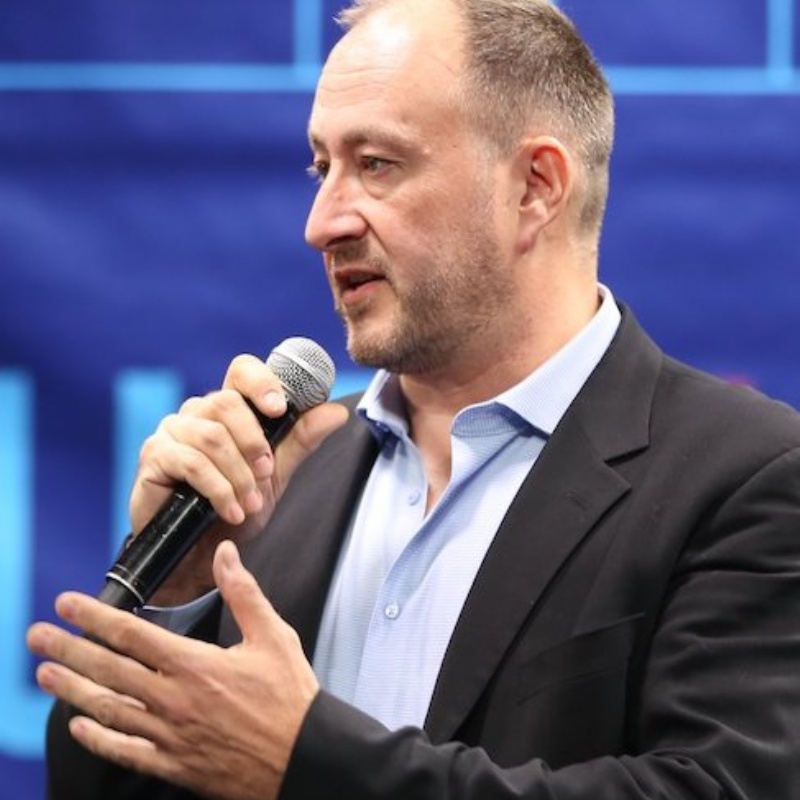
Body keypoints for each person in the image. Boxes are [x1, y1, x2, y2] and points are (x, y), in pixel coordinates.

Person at [27, 0, 800, 798]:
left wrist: (306, 762)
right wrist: (180, 587)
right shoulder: (283, 482)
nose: (322, 223)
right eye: (321, 168)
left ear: (535, 187)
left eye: (377, 164)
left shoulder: (747, 477)